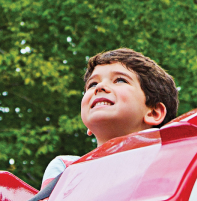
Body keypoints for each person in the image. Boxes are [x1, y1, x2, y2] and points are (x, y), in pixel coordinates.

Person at [39, 49, 179, 189]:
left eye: (119, 80)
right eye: (92, 84)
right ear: (88, 126)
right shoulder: (65, 169)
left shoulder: (172, 166)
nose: (99, 87)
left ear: (153, 113)